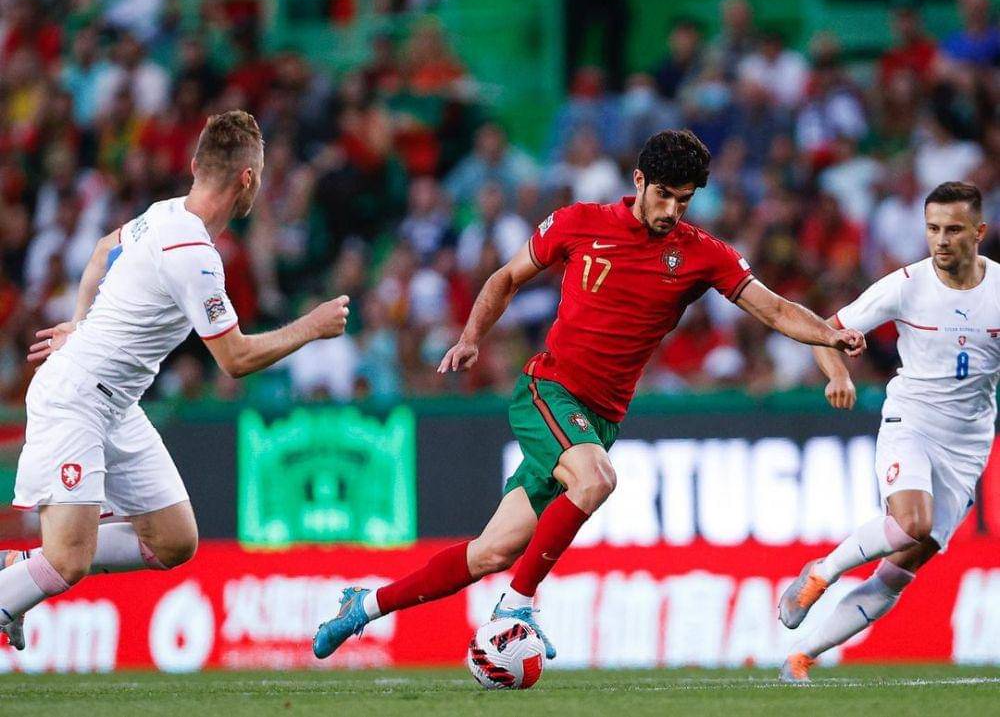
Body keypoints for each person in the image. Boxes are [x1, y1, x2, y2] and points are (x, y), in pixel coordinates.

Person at [311, 129, 865, 661]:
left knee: (493, 551)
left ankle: (363, 605)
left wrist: (830, 334)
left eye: (686, 201)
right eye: (665, 196)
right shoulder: (580, 223)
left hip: (598, 421)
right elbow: (505, 278)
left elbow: (775, 308)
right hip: (548, 391)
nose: (672, 211)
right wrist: (471, 338)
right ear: (639, 180)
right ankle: (517, 607)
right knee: (596, 478)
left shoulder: (702, 254)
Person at [0, 111, 350, 651]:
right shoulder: (194, 256)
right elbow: (233, 359)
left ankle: (21, 572)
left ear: (194, 166)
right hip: (76, 400)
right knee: (68, 561)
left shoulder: (163, 214)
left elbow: (100, 253)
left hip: (117, 404)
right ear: (248, 180)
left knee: (173, 541)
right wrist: (312, 326)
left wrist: (81, 321)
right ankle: (17, 586)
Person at [778, 181, 998, 683]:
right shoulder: (905, 284)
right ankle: (821, 572)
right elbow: (824, 330)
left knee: (901, 568)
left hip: (968, 446)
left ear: (979, 233)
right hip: (912, 423)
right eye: (933, 229)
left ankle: (801, 657)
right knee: (911, 522)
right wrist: (837, 373)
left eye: (954, 230)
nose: (941, 240)